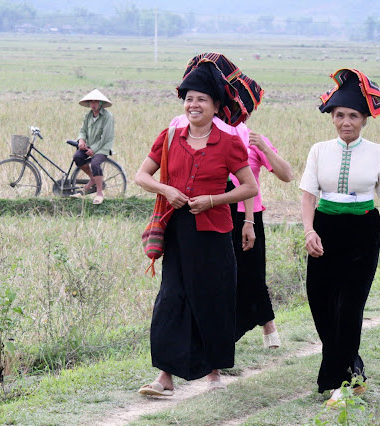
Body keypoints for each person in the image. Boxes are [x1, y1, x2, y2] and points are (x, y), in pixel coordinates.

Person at [135, 57, 260, 396]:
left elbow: (249, 187)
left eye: (201, 99)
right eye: (189, 98)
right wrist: (166, 190)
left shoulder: (230, 142)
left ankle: (214, 372)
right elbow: (141, 176)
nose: (193, 104)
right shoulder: (170, 137)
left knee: (213, 298)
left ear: (216, 105)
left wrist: (213, 200)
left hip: (215, 233)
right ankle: (165, 377)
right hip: (177, 232)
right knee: (172, 298)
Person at [299, 68, 380, 406]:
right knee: (321, 303)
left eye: (353, 115)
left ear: (365, 119)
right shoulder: (319, 151)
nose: (346, 121)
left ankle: (342, 383)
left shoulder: (378, 154)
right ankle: (353, 369)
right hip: (324, 230)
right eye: (340, 115)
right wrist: (309, 230)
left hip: (363, 232)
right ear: (332, 118)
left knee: (350, 306)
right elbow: (308, 195)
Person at [169, 114, 293, 348]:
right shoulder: (205, 138)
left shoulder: (251, 139)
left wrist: (264, 147)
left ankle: (267, 325)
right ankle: (222, 336)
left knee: (253, 273)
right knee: (222, 278)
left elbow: (286, 175)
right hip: (212, 211)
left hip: (248, 217)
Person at [71, 88, 114, 205]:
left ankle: (99, 193)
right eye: (91, 102)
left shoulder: (107, 116)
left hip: (103, 147)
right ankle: (93, 178)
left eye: (96, 102)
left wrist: (94, 149)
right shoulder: (88, 116)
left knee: (95, 163)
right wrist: (81, 140)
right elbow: (83, 130)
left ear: (100, 103)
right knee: (77, 157)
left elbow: (105, 137)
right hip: (89, 145)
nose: (93, 104)